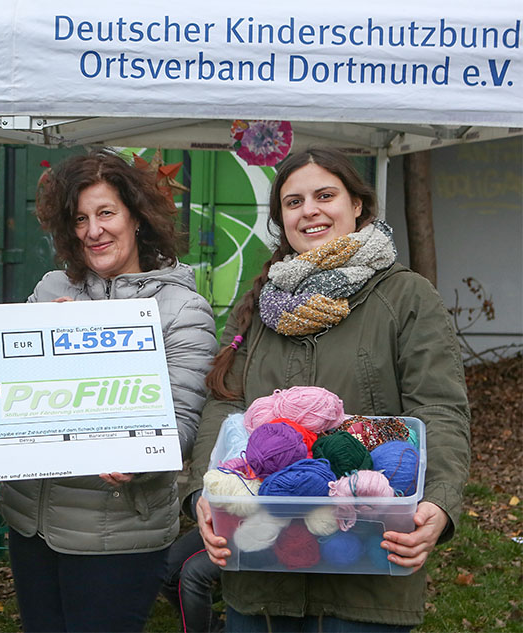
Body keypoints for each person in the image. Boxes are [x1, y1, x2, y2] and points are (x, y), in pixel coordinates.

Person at [190, 147, 471, 632]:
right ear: (281, 217)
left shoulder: (405, 297)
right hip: (264, 572)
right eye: (293, 202)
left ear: (357, 204)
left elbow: (440, 410)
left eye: (325, 195)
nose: (310, 210)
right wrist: (205, 492)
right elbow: (226, 406)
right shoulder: (262, 304)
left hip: (368, 571)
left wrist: (438, 505)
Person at [0, 151, 218, 632]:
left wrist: (139, 459)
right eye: (80, 218)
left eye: (105, 213)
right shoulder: (51, 288)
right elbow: (6, 388)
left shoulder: (182, 309)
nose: (93, 230)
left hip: (116, 530)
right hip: (31, 521)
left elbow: (183, 422)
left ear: (137, 217)